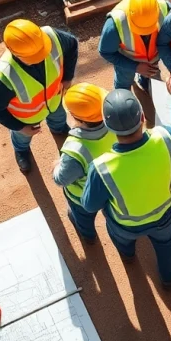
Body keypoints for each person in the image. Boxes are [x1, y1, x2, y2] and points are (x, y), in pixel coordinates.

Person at [81, 86, 171, 288]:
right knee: (166, 246)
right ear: (142, 117)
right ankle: (168, 280)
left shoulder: (101, 168)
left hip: (125, 225)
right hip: (164, 215)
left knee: (123, 243)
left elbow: (89, 206)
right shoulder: (166, 138)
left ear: (108, 127)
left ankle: (129, 256)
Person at [0, 19, 79, 174]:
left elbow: (72, 45)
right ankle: (21, 150)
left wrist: (67, 77)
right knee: (22, 138)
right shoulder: (4, 77)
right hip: (26, 118)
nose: (41, 57)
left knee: (59, 119)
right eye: (33, 56)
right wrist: (20, 128)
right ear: (13, 51)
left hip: (55, 100)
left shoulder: (52, 37)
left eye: (42, 50)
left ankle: (59, 129)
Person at [53, 83, 117, 244]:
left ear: (78, 119)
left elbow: (61, 179)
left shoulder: (74, 149)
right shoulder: (117, 124)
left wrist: (56, 166)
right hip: (112, 187)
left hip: (82, 197)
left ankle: (89, 236)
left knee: (83, 218)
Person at [98, 0, 171, 92]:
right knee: (123, 84)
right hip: (127, 61)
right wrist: (135, 67)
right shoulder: (114, 24)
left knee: (153, 80)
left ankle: (145, 82)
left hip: (153, 60)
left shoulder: (166, 10)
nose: (145, 33)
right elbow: (106, 52)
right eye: (141, 29)